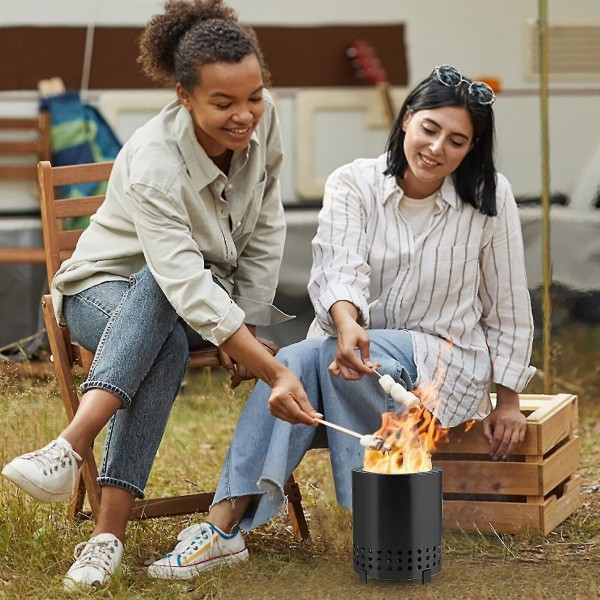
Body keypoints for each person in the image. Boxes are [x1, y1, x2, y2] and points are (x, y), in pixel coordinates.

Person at [144, 64, 537, 581]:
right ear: (405, 121)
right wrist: (347, 322)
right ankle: (233, 531)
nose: (438, 148)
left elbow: (507, 300)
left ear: (472, 149)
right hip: (348, 358)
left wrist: (508, 399)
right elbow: (337, 269)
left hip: (443, 369)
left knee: (300, 360)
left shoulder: (490, 198)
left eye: (457, 140)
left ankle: (236, 528)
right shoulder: (354, 183)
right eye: (430, 128)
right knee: (306, 358)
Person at [2, 0, 319, 591]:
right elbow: (179, 280)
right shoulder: (153, 159)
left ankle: (76, 458)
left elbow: (269, 222)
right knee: (159, 292)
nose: (244, 114)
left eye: (253, 96)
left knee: (168, 325)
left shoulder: (263, 118)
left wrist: (244, 323)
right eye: (222, 103)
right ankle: (104, 528)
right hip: (101, 291)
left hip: (196, 295)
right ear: (183, 96)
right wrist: (271, 366)